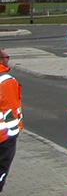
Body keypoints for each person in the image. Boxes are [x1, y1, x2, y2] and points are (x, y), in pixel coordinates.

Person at [0, 49, 21, 192]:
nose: (8, 59)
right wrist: (13, 133)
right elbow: (11, 111)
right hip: (4, 138)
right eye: (7, 57)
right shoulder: (6, 81)